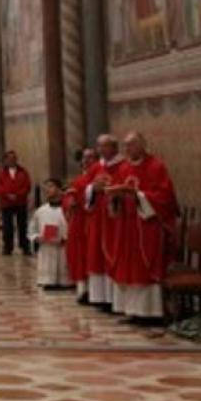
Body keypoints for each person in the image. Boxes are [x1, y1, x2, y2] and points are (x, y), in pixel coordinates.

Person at [107, 133, 180, 325]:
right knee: (128, 269)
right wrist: (115, 197)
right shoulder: (123, 168)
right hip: (127, 226)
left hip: (148, 226)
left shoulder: (156, 166)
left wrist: (138, 195)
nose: (127, 149)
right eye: (125, 146)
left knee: (144, 269)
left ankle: (150, 313)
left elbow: (165, 197)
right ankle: (132, 311)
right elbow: (115, 191)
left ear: (142, 145)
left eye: (131, 145)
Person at [83, 135, 123, 311]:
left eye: (105, 146)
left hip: (115, 220)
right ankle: (101, 298)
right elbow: (86, 188)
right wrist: (93, 188)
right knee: (97, 255)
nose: (101, 150)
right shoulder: (96, 167)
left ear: (114, 147)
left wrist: (112, 192)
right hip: (98, 218)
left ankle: (115, 300)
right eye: (99, 146)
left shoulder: (123, 166)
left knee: (114, 256)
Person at [64, 149, 98, 303]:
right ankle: (82, 289)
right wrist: (69, 202)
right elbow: (69, 196)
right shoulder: (78, 180)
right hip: (79, 223)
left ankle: (95, 292)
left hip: (94, 221)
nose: (86, 161)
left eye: (90, 157)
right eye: (84, 158)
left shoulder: (100, 177)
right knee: (79, 255)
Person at [30, 179, 71, 290]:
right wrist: (37, 237)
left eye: (51, 186)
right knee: (48, 280)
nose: (47, 189)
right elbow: (32, 229)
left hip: (64, 247)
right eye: (46, 187)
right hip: (46, 249)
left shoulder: (68, 209)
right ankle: (48, 280)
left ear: (60, 190)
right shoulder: (40, 211)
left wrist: (65, 238)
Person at [0, 151, 33, 256]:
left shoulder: (23, 172)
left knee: (22, 225)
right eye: (9, 158)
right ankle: (7, 247)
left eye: (14, 158)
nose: (12, 160)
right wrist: (7, 195)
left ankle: (24, 246)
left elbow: (27, 185)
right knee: (7, 226)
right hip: (6, 203)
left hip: (20, 202)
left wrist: (18, 195)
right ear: (5, 160)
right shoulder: (0, 173)